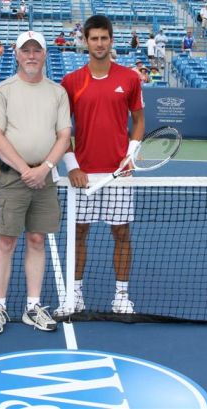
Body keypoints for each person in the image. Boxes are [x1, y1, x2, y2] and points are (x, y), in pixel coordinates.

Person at [56, 14, 145, 316]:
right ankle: (76, 295)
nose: (99, 43)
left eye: (104, 38)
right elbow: (61, 129)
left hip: (119, 174)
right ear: (85, 41)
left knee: (121, 234)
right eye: (93, 38)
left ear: (111, 40)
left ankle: (121, 296)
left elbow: (139, 120)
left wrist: (131, 154)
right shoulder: (71, 82)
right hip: (83, 175)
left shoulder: (130, 78)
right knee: (79, 233)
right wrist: (72, 166)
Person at [0, 30, 71, 334]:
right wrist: (25, 169)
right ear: (17, 54)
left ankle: (33, 307)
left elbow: (63, 135)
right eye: (26, 50)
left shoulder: (58, 92)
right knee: (6, 241)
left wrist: (45, 167)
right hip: (13, 178)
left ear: (45, 54)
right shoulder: (3, 90)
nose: (31, 55)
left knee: (36, 240)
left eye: (37, 50)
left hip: (44, 178)